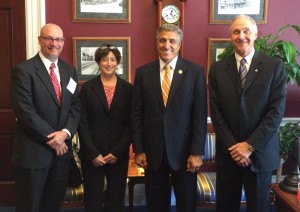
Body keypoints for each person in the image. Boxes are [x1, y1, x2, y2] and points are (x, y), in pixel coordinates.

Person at [209, 15, 286, 212]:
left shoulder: (274, 67)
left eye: (246, 31)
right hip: (229, 155)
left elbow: (275, 113)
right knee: (226, 207)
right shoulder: (218, 69)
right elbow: (216, 113)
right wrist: (235, 149)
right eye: (236, 31)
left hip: (260, 155)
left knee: (258, 208)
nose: (241, 36)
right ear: (230, 37)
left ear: (255, 34)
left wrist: (249, 146)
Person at [132, 24, 207, 212]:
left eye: (172, 41)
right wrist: (139, 150)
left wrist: (197, 152)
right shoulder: (143, 73)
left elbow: (199, 115)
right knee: (156, 204)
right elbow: (137, 115)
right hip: (153, 153)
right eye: (162, 40)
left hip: (185, 153)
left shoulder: (194, 72)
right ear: (156, 43)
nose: (167, 45)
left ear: (179, 44)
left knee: (186, 203)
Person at [10, 23, 81, 212]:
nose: (54, 43)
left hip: (61, 157)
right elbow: (25, 112)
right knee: (29, 206)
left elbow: (75, 107)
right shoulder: (23, 71)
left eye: (58, 39)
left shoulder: (69, 71)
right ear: (40, 40)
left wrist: (65, 133)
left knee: (53, 205)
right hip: (33, 154)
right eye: (49, 38)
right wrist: (55, 139)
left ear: (63, 42)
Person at [78, 44, 133, 212]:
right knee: (93, 200)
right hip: (92, 155)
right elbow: (82, 122)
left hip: (118, 155)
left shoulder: (129, 89)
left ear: (118, 62)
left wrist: (118, 151)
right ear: (98, 62)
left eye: (113, 59)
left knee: (116, 200)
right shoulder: (87, 88)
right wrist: (93, 153)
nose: (109, 63)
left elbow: (132, 124)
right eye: (104, 59)